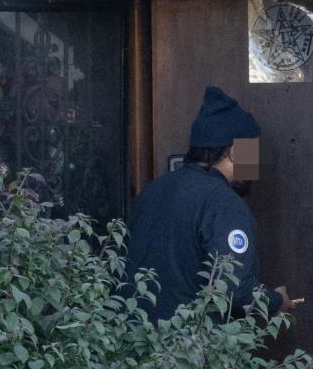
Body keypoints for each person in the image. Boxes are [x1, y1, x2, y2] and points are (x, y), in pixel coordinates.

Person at [123, 86, 300, 321]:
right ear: (235, 152)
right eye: (253, 152)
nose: (257, 164)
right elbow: (234, 290)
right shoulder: (224, 203)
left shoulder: (152, 191)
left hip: (134, 345)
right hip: (190, 350)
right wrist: (276, 300)